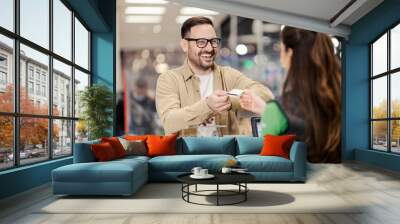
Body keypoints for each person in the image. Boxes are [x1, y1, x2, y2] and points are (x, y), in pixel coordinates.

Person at [156, 16, 273, 136]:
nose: (209, 48)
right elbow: (169, 121)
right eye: (201, 42)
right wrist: (207, 106)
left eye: (213, 41)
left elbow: (266, 95)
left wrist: (231, 101)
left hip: (226, 154)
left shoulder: (229, 75)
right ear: (185, 45)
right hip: (186, 154)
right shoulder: (170, 79)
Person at [239, 27, 341, 163]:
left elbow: (270, 164)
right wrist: (267, 110)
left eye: (281, 49)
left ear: (290, 53)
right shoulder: (341, 97)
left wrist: (271, 112)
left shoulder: (278, 108)